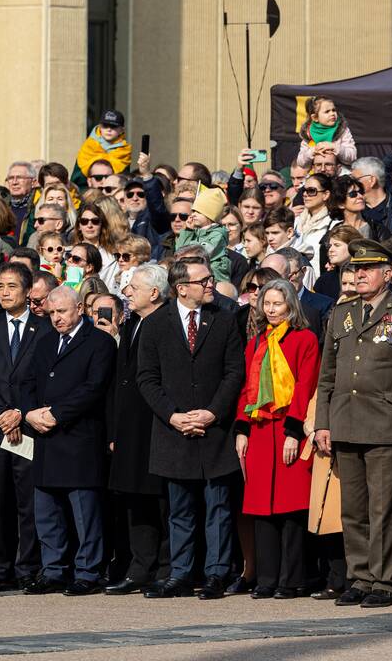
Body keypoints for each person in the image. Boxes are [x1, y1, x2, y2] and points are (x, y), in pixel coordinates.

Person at [314, 239, 392, 608]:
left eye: (367, 269)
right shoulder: (342, 312)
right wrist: (322, 423)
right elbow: (327, 375)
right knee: (353, 508)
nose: (359, 275)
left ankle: (383, 579)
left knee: (383, 507)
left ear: (387, 273)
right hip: (345, 421)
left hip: (385, 423)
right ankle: (360, 576)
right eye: (356, 269)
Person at [136, 257, 246, 600]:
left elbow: (234, 373)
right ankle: (180, 574)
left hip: (215, 431)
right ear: (181, 288)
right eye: (204, 280)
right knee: (180, 510)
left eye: (211, 279)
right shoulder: (156, 324)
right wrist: (173, 416)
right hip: (174, 432)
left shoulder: (224, 321)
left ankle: (216, 573)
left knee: (218, 508)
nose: (210, 284)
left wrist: (212, 413)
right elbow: (147, 378)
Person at [20, 285, 115, 595]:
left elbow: (94, 387)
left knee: (84, 512)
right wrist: (31, 413)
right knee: (47, 511)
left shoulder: (99, 343)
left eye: (62, 312)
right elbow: (29, 381)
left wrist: (57, 413)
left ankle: (88, 570)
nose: (56, 319)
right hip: (46, 437)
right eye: (51, 314)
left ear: (79, 309)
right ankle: (54, 570)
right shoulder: (45, 343)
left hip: (79, 436)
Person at [233, 279, 320, 599]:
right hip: (259, 432)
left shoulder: (305, 339)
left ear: (291, 306)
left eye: (277, 304)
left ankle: (292, 579)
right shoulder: (257, 341)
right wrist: (241, 428)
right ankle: (266, 579)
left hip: (287, 428)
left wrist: (293, 433)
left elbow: (305, 386)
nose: (270, 309)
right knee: (261, 510)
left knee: (290, 509)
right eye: (266, 303)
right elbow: (247, 388)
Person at [0, 263, 48, 593]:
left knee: (27, 502)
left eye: (11, 286)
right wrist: (3, 413)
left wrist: (20, 412)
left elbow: (45, 379)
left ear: (28, 291)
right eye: (0, 286)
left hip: (28, 428)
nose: (3, 291)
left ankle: (28, 567)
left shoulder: (43, 329)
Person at [105, 264, 171, 595]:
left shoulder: (166, 323)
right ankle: (139, 567)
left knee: (160, 500)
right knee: (134, 498)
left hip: (157, 426)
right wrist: (115, 431)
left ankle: (165, 566)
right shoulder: (131, 324)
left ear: (154, 293)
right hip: (130, 429)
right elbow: (121, 380)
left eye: (133, 286)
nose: (126, 291)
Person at [71, 110, 132, 187]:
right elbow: (75, 183)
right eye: (105, 126)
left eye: (113, 126)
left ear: (121, 130)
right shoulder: (88, 147)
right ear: (100, 127)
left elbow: (125, 182)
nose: (109, 129)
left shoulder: (124, 152)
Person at [293, 174, 337, 277]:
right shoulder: (296, 221)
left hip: (319, 282)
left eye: (311, 191)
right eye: (304, 190)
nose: (305, 194)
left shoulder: (333, 224)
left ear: (326, 195)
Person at [296, 96, 357, 168]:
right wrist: (313, 151)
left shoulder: (342, 130)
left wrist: (335, 147)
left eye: (333, 110)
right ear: (315, 117)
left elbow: (352, 157)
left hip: (338, 173)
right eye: (327, 111)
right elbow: (301, 163)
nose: (332, 114)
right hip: (317, 174)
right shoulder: (308, 134)